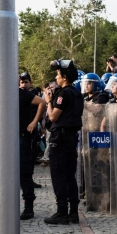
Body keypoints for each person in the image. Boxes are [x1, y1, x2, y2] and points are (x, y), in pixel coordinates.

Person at [42, 60, 84, 225]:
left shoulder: (63, 94)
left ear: (64, 77)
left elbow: (52, 117)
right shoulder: (76, 93)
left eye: (58, 74)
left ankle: (61, 212)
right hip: (71, 137)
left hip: (59, 138)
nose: (56, 77)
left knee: (58, 175)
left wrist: (48, 101)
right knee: (69, 176)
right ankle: (73, 212)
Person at [19, 84, 46, 220]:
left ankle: (28, 207)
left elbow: (42, 102)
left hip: (22, 138)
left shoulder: (21, 93)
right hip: (5, 141)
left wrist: (34, 122)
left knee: (24, 174)